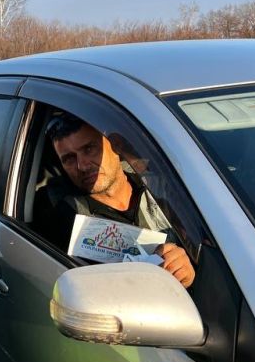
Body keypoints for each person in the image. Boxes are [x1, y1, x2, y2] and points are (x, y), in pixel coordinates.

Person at [41, 114, 196, 287]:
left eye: (90, 149)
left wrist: (188, 272)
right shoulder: (63, 221)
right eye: (69, 159)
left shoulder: (164, 189)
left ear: (115, 146)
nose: (82, 166)